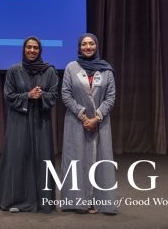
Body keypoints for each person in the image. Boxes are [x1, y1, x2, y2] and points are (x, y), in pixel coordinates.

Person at [0, 36, 59, 213]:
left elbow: (54, 96)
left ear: (40, 50)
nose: (32, 50)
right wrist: (27, 96)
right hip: (19, 120)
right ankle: (15, 200)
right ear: (24, 49)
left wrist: (41, 95)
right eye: (29, 47)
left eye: (35, 48)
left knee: (42, 158)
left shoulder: (49, 71)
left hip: (41, 121)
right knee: (17, 158)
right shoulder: (14, 70)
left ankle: (43, 201)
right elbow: (8, 95)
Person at [60, 33, 117, 214]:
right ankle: (76, 201)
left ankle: (97, 202)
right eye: (84, 44)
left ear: (96, 46)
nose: (88, 47)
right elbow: (66, 94)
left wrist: (96, 118)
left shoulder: (107, 70)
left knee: (99, 161)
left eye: (91, 44)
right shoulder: (71, 68)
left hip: (100, 123)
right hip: (76, 122)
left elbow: (110, 97)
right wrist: (84, 117)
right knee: (75, 160)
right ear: (79, 47)